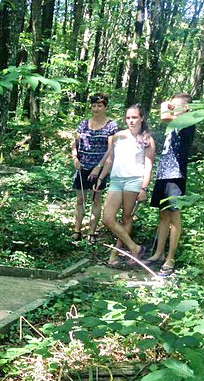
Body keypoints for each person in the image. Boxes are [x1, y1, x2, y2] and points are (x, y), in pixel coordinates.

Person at [145, 93, 195, 276]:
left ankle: (170, 259)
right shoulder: (174, 123)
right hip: (164, 173)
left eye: (178, 106)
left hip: (176, 175)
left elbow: (164, 115)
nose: (173, 108)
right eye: (173, 105)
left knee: (174, 216)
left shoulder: (187, 122)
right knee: (163, 215)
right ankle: (159, 253)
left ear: (188, 108)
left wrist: (167, 104)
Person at [98, 104, 155, 266]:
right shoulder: (118, 136)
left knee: (126, 217)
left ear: (142, 118)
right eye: (128, 117)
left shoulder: (147, 139)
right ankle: (134, 247)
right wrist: (101, 178)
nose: (131, 121)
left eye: (134, 117)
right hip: (116, 180)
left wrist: (144, 188)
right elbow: (110, 159)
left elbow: (149, 165)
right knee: (108, 219)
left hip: (134, 181)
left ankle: (114, 254)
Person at [70, 93, 118, 243]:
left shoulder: (111, 125)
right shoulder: (84, 124)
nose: (96, 109)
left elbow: (111, 149)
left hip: (99, 168)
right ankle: (77, 230)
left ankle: (92, 232)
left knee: (96, 200)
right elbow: (74, 142)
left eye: (99, 106)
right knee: (80, 200)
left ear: (105, 107)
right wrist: (74, 157)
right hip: (82, 167)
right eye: (94, 106)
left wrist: (99, 167)